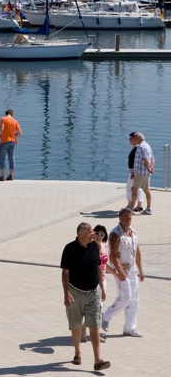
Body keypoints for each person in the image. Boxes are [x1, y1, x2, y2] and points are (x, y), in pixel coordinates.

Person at [61, 222, 109, 370]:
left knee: (94, 325)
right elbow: (65, 272)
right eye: (90, 233)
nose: (93, 235)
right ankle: (77, 352)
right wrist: (66, 293)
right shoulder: (69, 249)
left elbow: (98, 268)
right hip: (74, 292)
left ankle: (98, 360)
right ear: (81, 234)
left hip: (93, 292)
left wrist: (102, 287)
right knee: (75, 325)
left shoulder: (94, 246)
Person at [102, 207, 144, 338]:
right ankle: (106, 316)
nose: (128, 221)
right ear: (120, 218)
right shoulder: (115, 234)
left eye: (130, 218)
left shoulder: (133, 233)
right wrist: (118, 271)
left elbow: (137, 252)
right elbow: (112, 255)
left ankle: (130, 328)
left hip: (133, 271)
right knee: (125, 297)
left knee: (134, 300)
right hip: (121, 271)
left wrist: (141, 269)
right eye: (125, 218)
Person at [129, 131, 154, 214]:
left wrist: (148, 168)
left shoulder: (140, 147)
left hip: (140, 173)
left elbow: (145, 159)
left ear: (138, 139)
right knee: (147, 190)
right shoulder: (148, 146)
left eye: (134, 138)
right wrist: (151, 167)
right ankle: (148, 209)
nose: (133, 140)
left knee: (134, 189)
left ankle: (131, 208)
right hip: (146, 173)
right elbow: (152, 158)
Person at [0, 108, 21, 181]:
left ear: (6, 114)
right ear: (12, 114)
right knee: (11, 158)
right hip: (12, 141)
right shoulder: (15, 121)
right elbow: (19, 132)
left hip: (4, 140)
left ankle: (2, 176)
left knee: (2, 158)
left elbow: (1, 130)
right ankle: (11, 175)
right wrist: (14, 136)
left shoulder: (3, 119)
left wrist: (0, 136)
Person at [123, 133, 142, 214]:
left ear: (135, 139)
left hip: (134, 172)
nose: (129, 140)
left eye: (131, 139)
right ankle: (139, 204)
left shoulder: (136, 149)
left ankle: (130, 204)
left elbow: (132, 161)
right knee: (137, 188)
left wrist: (132, 172)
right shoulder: (139, 148)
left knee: (129, 187)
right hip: (138, 171)